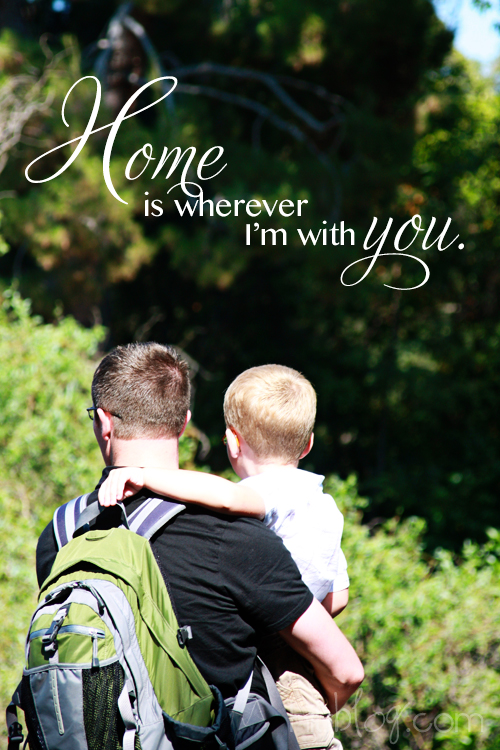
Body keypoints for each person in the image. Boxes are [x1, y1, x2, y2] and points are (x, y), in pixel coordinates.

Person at [36, 344, 363, 733]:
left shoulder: (62, 534)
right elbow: (346, 672)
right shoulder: (238, 537)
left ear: (104, 422)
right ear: (184, 422)